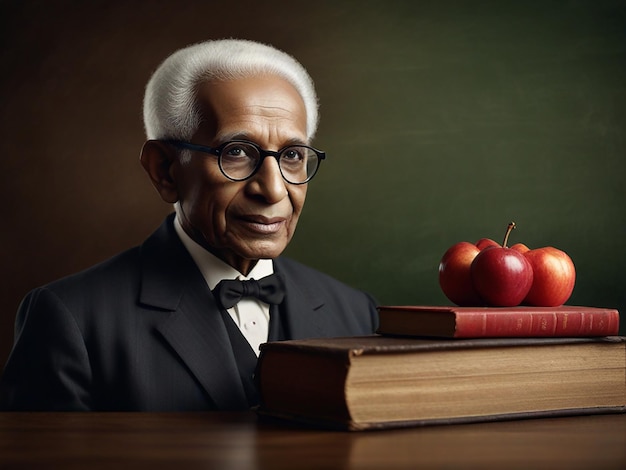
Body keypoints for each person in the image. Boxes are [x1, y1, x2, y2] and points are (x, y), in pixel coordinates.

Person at [0, 39, 378, 411]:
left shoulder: (358, 313)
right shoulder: (71, 319)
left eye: (292, 155)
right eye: (237, 153)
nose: (274, 189)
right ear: (164, 170)